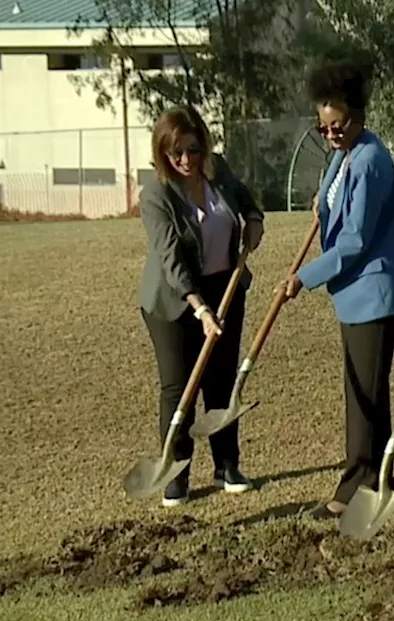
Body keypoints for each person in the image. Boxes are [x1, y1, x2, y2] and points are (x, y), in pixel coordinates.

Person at [279, 61, 394, 520]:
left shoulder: (372, 158)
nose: (331, 135)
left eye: (337, 125)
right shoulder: (344, 155)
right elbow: (333, 204)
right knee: (366, 388)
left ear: (357, 116)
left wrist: (305, 276)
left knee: (364, 392)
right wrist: (324, 203)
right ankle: (381, 478)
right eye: (322, 128)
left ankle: (354, 486)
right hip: (355, 292)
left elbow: (356, 239)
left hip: (374, 287)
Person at [137, 104, 265, 507]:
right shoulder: (156, 194)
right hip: (174, 302)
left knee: (222, 383)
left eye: (193, 150)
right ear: (163, 153)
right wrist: (200, 308)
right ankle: (175, 473)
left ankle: (228, 466)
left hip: (225, 288)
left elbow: (245, 199)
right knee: (180, 390)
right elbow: (171, 257)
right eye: (177, 153)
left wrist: (255, 218)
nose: (187, 160)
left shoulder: (216, 168)